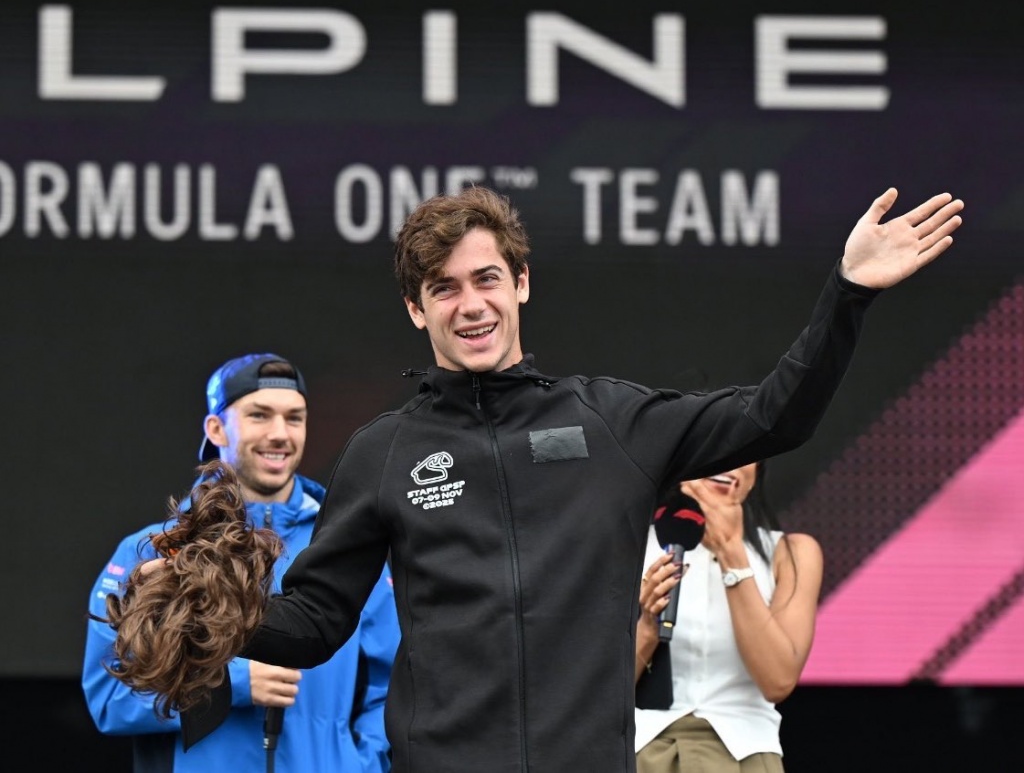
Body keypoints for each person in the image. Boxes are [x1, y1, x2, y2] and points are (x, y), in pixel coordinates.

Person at [110, 185, 963, 773]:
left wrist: (847, 294)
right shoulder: (384, 452)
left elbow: (775, 416)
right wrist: (210, 611)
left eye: (487, 278)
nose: (470, 304)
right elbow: (316, 621)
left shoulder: (611, 421)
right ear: (416, 307)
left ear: (520, 283)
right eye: (443, 288)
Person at [82, 353, 402, 772]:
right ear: (216, 428)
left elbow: (394, 684)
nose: (279, 434)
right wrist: (233, 684)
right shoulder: (152, 552)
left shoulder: (343, 548)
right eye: (259, 415)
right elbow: (109, 698)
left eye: (294, 418)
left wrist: (360, 766)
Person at [634, 461, 821, 772]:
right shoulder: (630, 545)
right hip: (641, 751)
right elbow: (593, 695)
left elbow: (777, 682)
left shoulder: (792, 553)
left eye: (746, 452)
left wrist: (731, 553)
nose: (730, 463)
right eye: (718, 450)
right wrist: (647, 629)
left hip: (744, 753)